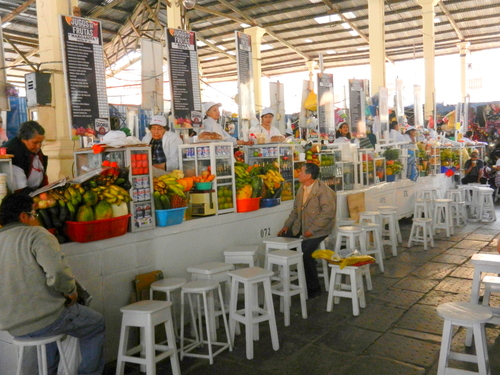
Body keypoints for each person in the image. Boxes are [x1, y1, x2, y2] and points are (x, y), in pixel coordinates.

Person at [0, 194, 105, 375]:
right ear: (23, 216)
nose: (36, 219)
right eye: (34, 215)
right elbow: (57, 272)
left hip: (12, 325)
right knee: (96, 325)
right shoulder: (36, 234)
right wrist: (71, 292)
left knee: (48, 338)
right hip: (46, 319)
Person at [277, 163, 336, 298]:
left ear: (308, 175)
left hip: (319, 230)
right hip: (302, 227)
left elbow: (327, 214)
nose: (298, 174)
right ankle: (301, 273)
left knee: (304, 252)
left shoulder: (323, 191)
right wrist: (287, 225)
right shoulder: (301, 189)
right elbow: (295, 211)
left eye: (301, 172)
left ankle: (313, 288)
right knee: (284, 241)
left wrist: (311, 231)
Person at [4, 120, 48, 194]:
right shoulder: (14, 152)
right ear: (23, 139)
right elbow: (19, 189)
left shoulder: (34, 149)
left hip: (35, 191)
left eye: (41, 142)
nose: (39, 146)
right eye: (35, 142)